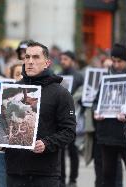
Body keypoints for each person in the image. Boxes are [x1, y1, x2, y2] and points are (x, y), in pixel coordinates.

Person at [4, 41, 76, 187]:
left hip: (45, 174)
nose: (30, 61)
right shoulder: (12, 90)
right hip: (15, 172)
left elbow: (69, 131)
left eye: (36, 57)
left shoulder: (60, 93)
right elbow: (2, 124)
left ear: (47, 63)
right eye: (27, 57)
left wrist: (46, 143)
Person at [94, 43, 126, 187]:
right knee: (107, 176)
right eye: (114, 61)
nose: (116, 65)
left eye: (120, 61)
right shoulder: (106, 77)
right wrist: (96, 112)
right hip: (107, 135)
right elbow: (97, 101)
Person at [59, 51, 84, 187]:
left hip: (75, 117)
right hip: (61, 118)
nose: (63, 61)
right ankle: (61, 179)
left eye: (66, 59)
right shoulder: (58, 75)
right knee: (61, 150)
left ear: (72, 60)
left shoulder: (79, 76)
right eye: (61, 59)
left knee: (73, 150)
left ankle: (73, 178)